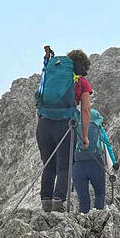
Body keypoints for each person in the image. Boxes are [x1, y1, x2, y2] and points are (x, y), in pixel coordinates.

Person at [35, 49, 93, 212]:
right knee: (65, 166)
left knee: (48, 164)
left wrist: (40, 126)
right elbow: (86, 110)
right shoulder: (81, 81)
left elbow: (39, 102)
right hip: (65, 125)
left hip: (44, 124)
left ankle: (46, 202)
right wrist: (85, 136)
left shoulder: (51, 75)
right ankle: (58, 202)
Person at [72, 109, 117, 214]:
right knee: (99, 194)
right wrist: (114, 163)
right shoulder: (98, 128)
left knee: (83, 198)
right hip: (96, 164)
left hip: (78, 166)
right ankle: (98, 219)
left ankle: (83, 222)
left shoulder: (75, 128)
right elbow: (107, 145)